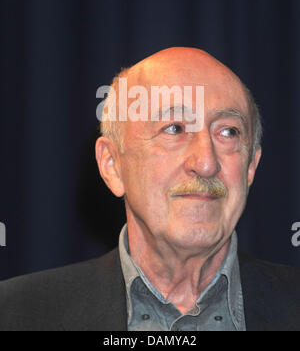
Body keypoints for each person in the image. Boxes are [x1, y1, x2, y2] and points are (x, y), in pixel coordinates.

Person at [0, 47, 299, 331]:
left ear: (250, 167)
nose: (206, 163)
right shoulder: (15, 314)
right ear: (112, 165)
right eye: (174, 129)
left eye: (228, 132)